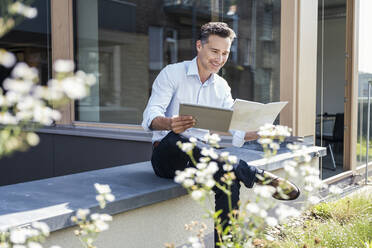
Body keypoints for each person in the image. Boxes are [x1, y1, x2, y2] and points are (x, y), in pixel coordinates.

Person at [142, 22, 299, 247]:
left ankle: (224, 244)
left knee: (230, 179)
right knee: (180, 139)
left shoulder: (222, 86)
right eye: (214, 51)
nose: (220, 58)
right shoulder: (172, 74)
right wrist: (170, 123)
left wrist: (257, 133)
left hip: (202, 157)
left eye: (225, 53)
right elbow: (150, 116)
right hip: (167, 156)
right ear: (199, 46)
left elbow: (234, 126)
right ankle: (257, 175)